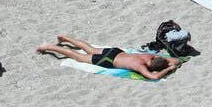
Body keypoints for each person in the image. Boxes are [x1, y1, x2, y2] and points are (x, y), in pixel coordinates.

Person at [36, 35, 184, 79]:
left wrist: (170, 63)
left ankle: (65, 38)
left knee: (89, 48)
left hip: (115, 52)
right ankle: (48, 47)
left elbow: (175, 60)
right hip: (109, 61)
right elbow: (154, 77)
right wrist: (169, 68)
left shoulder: (148, 56)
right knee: (77, 57)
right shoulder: (141, 66)